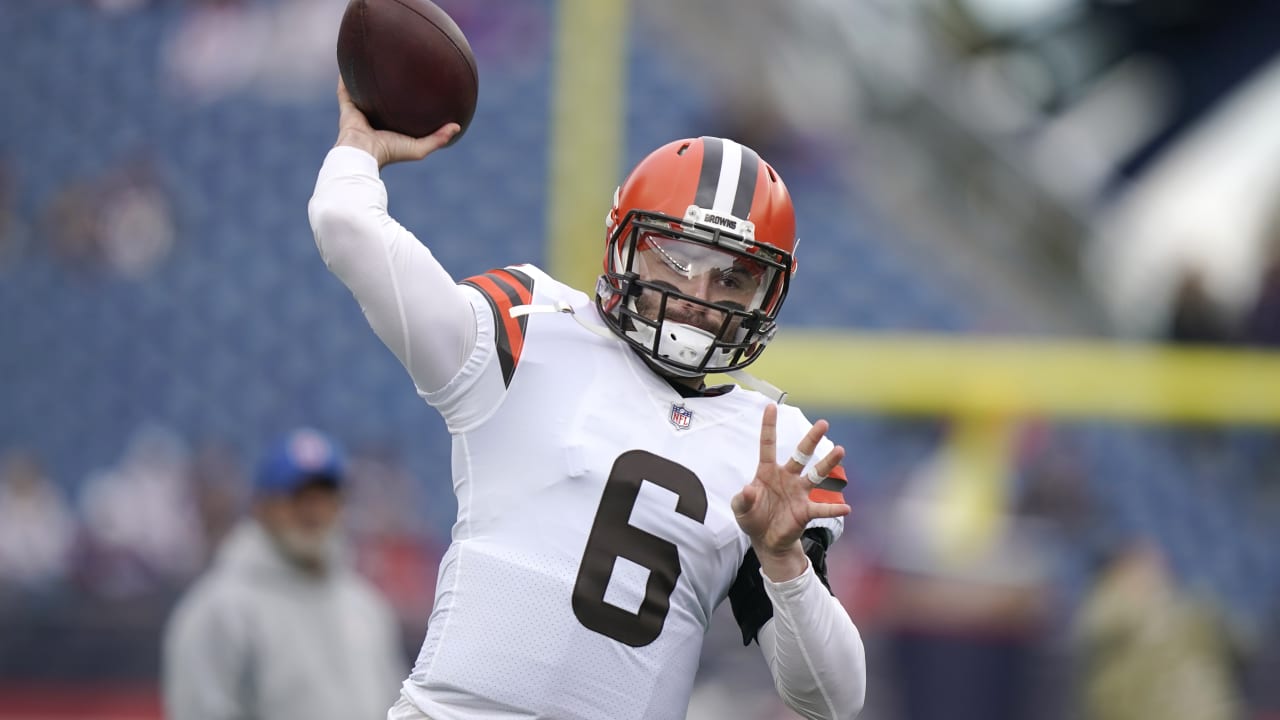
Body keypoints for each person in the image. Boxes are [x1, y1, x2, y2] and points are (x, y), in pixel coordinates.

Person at [308, 78, 867, 720]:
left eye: (734, 277)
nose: (700, 294)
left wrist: (783, 558)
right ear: (623, 244)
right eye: (677, 259)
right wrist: (358, 148)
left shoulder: (770, 443)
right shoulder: (528, 327)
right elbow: (343, 222)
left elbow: (832, 700)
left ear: (765, 296)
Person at [162, 427, 405, 720]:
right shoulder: (220, 610)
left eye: (325, 497)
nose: (313, 511)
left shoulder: (366, 607)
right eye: (298, 497)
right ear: (262, 506)